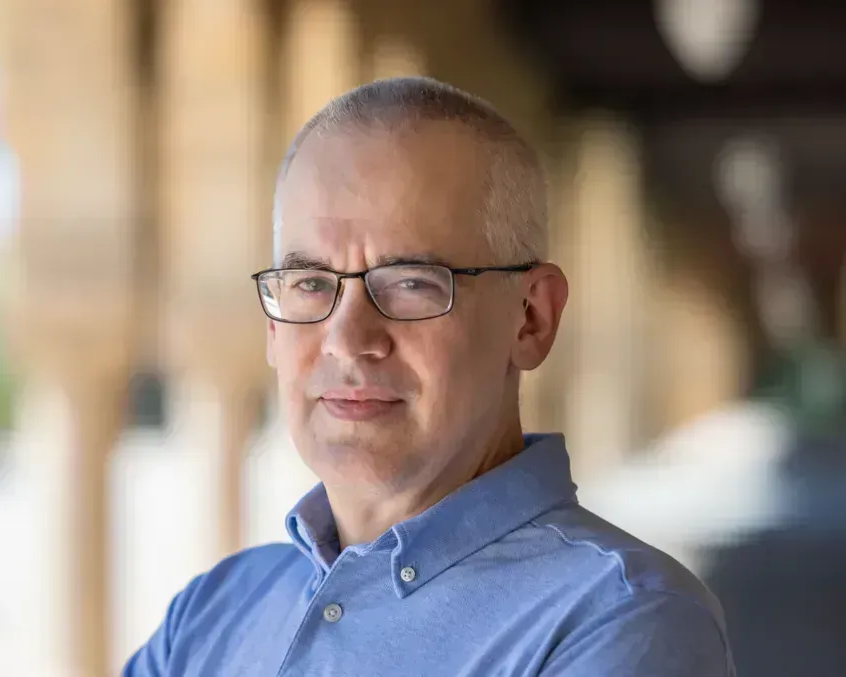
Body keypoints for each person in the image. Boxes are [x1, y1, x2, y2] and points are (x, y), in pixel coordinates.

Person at [123, 77, 735, 676]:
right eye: (311, 284)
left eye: (411, 283)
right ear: (273, 329)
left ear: (531, 319)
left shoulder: (624, 623)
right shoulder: (209, 616)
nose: (346, 340)